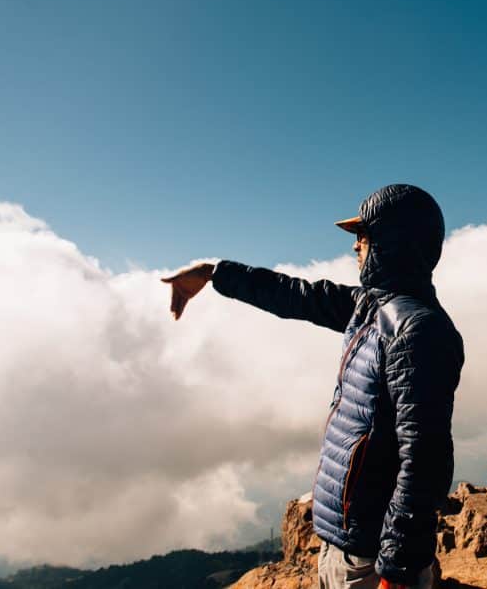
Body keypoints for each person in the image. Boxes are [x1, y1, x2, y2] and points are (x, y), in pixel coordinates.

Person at [162, 184, 464, 589]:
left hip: (372, 561)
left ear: (392, 242)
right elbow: (296, 296)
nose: (356, 247)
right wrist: (214, 273)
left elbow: (425, 460)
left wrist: (399, 570)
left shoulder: (416, 329)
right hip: (346, 546)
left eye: (363, 235)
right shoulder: (371, 307)